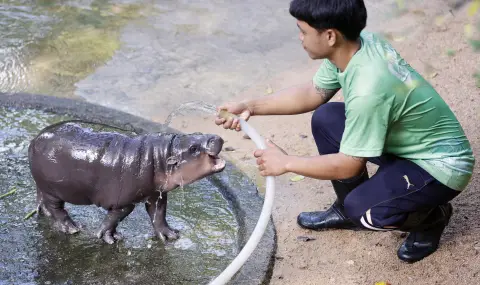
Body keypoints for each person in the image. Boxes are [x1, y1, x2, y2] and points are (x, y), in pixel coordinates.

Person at [214, 0, 475, 263]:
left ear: (329, 36)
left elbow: (348, 166)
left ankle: (431, 218)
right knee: (327, 118)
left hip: (441, 167)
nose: (300, 38)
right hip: (408, 143)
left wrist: (287, 163)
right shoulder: (357, 45)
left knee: (363, 209)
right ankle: (345, 211)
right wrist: (250, 106)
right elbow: (312, 93)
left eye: (303, 31)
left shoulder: (368, 90)